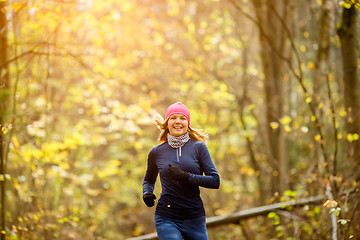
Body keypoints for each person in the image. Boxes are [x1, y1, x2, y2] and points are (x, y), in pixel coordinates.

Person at [142, 102, 220, 240]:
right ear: (167, 123)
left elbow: (215, 181)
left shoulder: (199, 148)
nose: (178, 121)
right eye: (173, 118)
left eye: (182, 118)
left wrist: (186, 177)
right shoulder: (157, 152)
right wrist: (147, 192)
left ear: (187, 123)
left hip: (194, 217)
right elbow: (149, 179)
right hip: (167, 216)